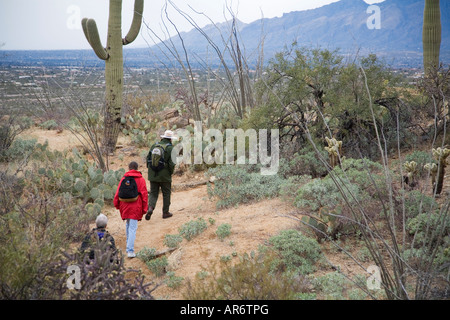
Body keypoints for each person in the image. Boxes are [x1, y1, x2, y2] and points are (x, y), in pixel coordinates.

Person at [113, 161, 148, 258]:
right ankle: (130, 251)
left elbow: (117, 193)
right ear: (137, 168)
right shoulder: (141, 179)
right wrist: (144, 209)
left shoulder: (124, 178)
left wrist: (116, 204)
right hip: (135, 206)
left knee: (128, 225)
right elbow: (144, 195)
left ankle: (128, 247)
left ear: (129, 168)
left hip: (124, 205)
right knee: (132, 228)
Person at [145, 130, 177, 221]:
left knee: (153, 192)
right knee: (166, 193)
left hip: (153, 174)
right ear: (170, 139)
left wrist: (151, 170)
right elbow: (172, 164)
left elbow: (148, 159)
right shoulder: (171, 148)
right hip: (165, 175)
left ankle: (150, 208)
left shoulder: (154, 145)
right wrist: (170, 173)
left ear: (162, 138)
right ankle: (165, 212)